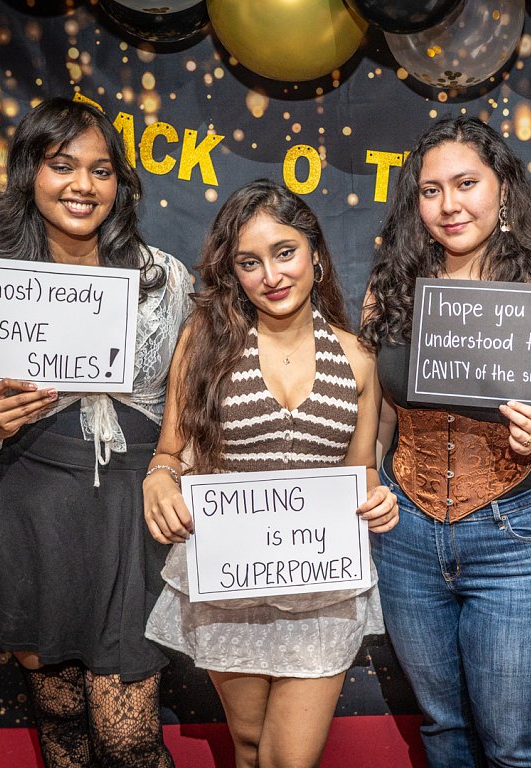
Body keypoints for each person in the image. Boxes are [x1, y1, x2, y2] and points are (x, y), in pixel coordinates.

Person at [0, 98, 193, 766]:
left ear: (119, 184)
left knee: (128, 739)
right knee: (60, 712)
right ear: (30, 174)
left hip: (133, 516)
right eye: (63, 165)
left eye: (101, 170)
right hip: (31, 510)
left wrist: (176, 466)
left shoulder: (163, 278)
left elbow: (193, 400)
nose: (83, 185)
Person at [141, 179, 399, 768]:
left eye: (285, 253)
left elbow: (361, 473)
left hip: (320, 587)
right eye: (249, 262)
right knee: (250, 746)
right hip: (230, 581)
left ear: (315, 254)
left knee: (290, 759)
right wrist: (158, 478)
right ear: (234, 273)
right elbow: (170, 450)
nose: (272, 276)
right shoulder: (204, 342)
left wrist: (378, 501)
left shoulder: (357, 357)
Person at [358, 115, 531, 767]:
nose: (449, 205)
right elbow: (377, 418)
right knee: (443, 730)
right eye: (431, 191)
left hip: (522, 539)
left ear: (503, 189)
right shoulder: (390, 291)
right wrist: (368, 479)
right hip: (407, 536)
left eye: (466, 184)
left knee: (516, 747)